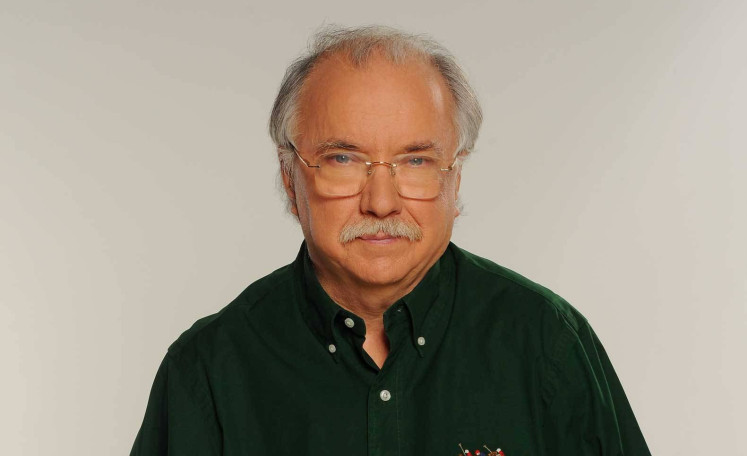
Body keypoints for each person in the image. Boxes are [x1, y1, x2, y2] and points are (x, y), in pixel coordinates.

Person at [130, 25, 651, 456]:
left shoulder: (547, 342)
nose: (381, 202)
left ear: (455, 179)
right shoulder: (208, 371)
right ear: (290, 179)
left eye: (416, 160)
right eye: (343, 158)